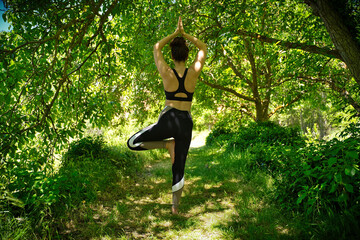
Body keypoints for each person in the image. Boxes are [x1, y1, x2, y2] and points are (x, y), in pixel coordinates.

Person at [127, 17, 207, 214]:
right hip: (185, 122)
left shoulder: (166, 71)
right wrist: (185, 34)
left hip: (168, 120)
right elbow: (203, 47)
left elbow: (156, 47)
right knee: (179, 166)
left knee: (132, 142)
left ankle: (166, 144)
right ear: (188, 56)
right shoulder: (193, 73)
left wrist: (174, 33)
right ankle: (175, 208)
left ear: (171, 55)